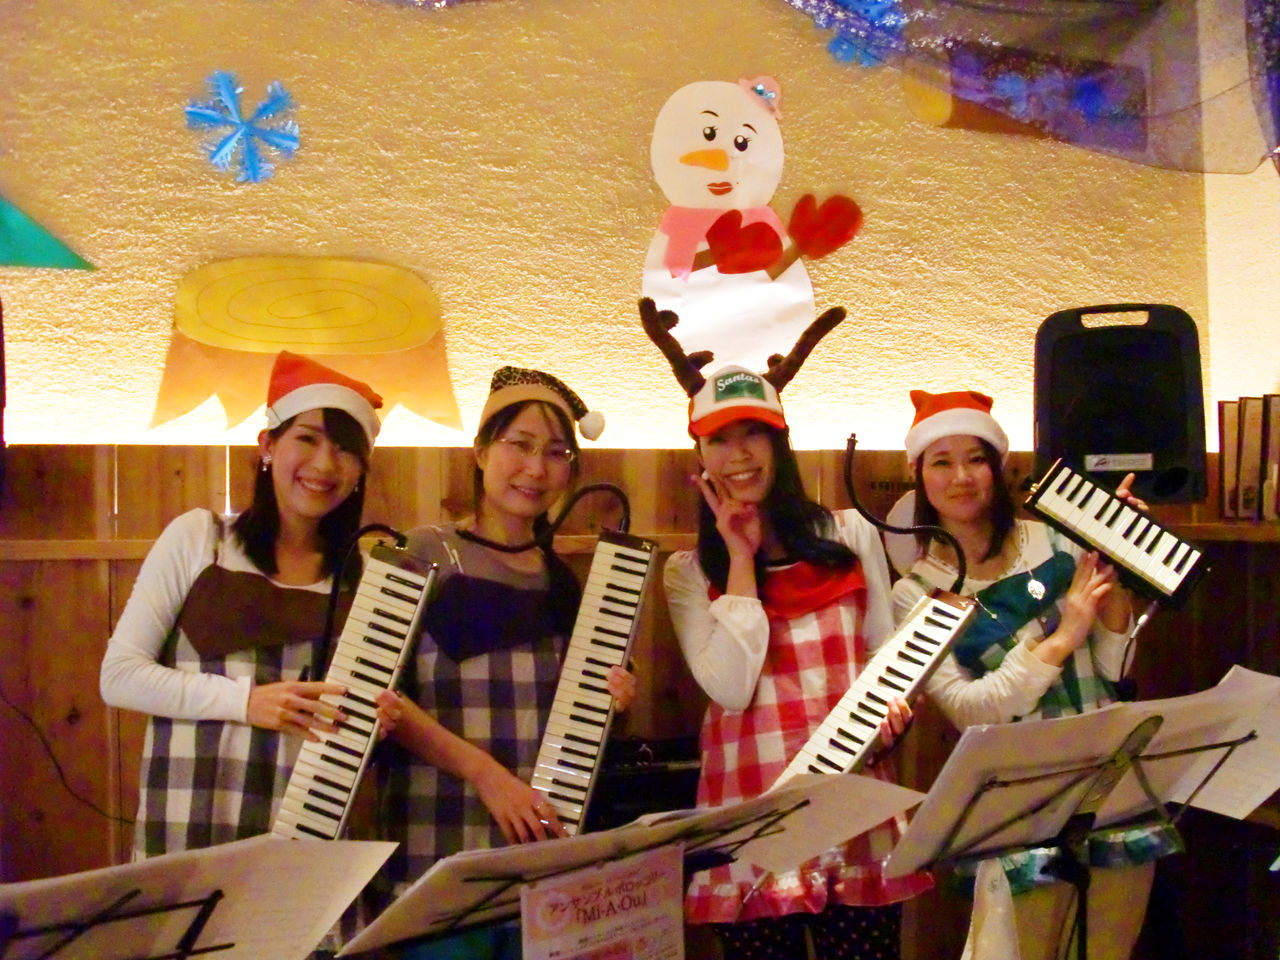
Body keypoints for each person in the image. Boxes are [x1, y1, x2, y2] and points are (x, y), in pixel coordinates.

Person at [641, 300, 932, 960]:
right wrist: (740, 560)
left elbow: (883, 657)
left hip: (851, 808)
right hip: (750, 818)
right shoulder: (689, 572)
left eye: (755, 433)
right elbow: (731, 688)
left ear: (781, 443)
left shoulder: (849, 534)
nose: (739, 455)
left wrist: (894, 715)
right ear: (699, 454)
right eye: (719, 439)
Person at [887, 388, 1180, 960]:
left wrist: (1117, 565)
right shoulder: (916, 593)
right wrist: (1065, 634)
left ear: (998, 468)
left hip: (1108, 781)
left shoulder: (1057, 538)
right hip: (1020, 801)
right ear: (918, 475)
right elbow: (972, 709)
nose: (961, 476)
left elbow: (1114, 666)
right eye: (941, 462)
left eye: (975, 459)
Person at [371, 366, 636, 960]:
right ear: (481, 451)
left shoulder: (562, 582)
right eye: (520, 444)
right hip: (436, 856)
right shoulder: (424, 551)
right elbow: (377, 700)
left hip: (539, 867)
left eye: (556, 452)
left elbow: (578, 729)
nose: (536, 468)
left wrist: (614, 702)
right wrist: (487, 776)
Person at [100, 351, 383, 858]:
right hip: (190, 823)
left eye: (345, 450)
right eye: (307, 439)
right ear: (268, 446)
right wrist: (247, 702)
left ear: (361, 470)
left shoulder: (365, 576)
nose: (325, 464)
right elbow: (119, 676)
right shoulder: (201, 539)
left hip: (310, 840)